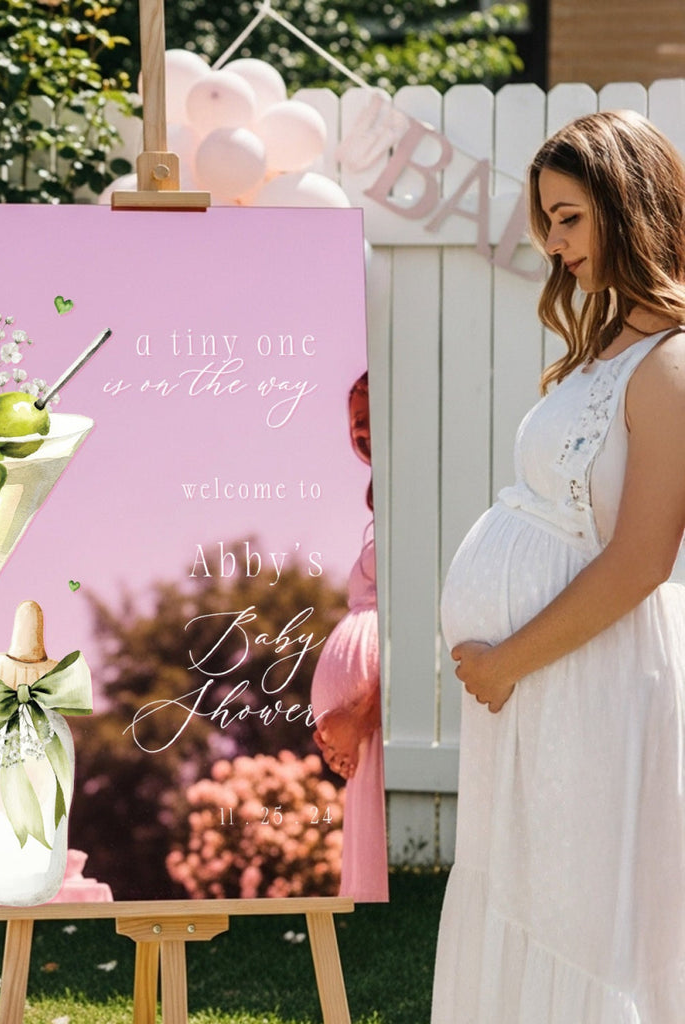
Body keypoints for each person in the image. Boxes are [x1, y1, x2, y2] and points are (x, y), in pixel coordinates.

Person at [432, 109, 685, 1023]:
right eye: (547, 218)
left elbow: (641, 561)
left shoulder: (670, 367)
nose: (552, 241)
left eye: (570, 216)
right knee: (526, 891)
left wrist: (507, 661)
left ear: (629, 207)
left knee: (578, 912)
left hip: (591, 676)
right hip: (546, 682)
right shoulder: (606, 349)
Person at [310, 372, 388, 903]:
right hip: (366, 732)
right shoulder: (383, 508)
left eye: (369, 417)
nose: (360, 431)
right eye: (354, 424)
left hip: (380, 723)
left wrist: (360, 716)